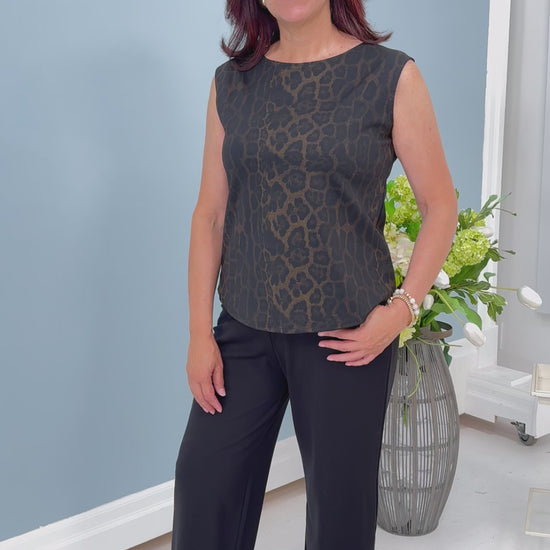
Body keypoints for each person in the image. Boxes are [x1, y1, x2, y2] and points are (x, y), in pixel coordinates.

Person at [171, 0, 458, 548]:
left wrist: (400, 311)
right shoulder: (231, 83)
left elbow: (440, 205)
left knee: (339, 515)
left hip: (347, 336)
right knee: (204, 486)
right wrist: (199, 333)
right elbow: (210, 215)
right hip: (245, 329)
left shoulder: (390, 76)